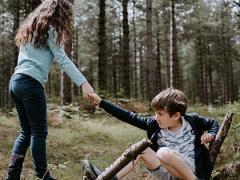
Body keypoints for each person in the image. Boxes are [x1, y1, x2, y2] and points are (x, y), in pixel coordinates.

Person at [7, 0, 94, 179]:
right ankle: (43, 175)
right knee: (39, 131)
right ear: (59, 14)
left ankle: (12, 176)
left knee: (26, 131)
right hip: (31, 84)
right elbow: (63, 59)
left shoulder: (31, 28)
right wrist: (84, 83)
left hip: (15, 82)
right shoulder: (51, 29)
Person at [83, 88, 219, 180]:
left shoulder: (193, 121)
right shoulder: (154, 124)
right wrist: (101, 103)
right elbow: (128, 116)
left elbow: (213, 123)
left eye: (160, 114)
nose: (156, 117)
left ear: (177, 115)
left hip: (192, 172)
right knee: (141, 149)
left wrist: (210, 134)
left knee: (163, 153)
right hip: (168, 172)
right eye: (155, 113)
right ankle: (109, 177)